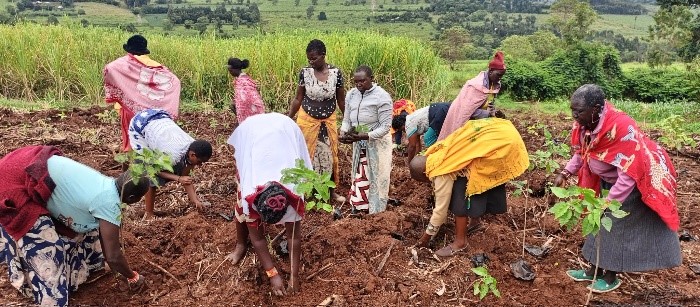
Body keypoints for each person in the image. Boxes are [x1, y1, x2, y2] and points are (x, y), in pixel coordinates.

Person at [553, 84, 681, 293]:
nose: (574, 116)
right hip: (608, 180)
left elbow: (628, 174)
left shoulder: (621, 128)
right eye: (572, 110)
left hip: (635, 182)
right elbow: (582, 152)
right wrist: (565, 173)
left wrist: (608, 203)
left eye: (579, 111)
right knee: (597, 223)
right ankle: (592, 270)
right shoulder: (585, 125)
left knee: (614, 228)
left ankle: (611, 276)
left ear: (595, 109)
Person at [0, 146, 150, 306]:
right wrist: (132, 276)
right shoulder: (109, 203)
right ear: (132, 197)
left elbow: (105, 243)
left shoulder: (105, 184)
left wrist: (117, 270)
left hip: (20, 163)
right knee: (49, 248)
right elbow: (113, 256)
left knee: (89, 229)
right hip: (14, 182)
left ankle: (84, 270)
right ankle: (51, 298)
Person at [411, 117, 529, 257]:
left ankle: (460, 242)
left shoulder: (440, 172)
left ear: (425, 173)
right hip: (502, 131)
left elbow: (440, 211)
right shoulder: (435, 152)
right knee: (473, 174)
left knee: (459, 196)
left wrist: (426, 237)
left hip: (503, 144)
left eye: (424, 180)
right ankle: (475, 222)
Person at [226, 113, 310, 296]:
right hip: (251, 134)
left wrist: (294, 276)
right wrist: (272, 274)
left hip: (285, 129)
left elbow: (294, 237)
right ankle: (240, 244)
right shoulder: (249, 196)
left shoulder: (295, 195)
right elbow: (258, 239)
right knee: (240, 205)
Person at [287, 39, 346, 202]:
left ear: (323, 55)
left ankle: (329, 191)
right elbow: (298, 99)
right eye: (309, 59)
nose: (311, 62)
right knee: (308, 156)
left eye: (314, 58)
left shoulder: (336, 73)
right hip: (307, 120)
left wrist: (348, 120)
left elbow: (341, 100)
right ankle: (308, 192)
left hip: (328, 121)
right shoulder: (305, 72)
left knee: (329, 155)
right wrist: (288, 118)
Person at [128, 109, 213, 219]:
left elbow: (185, 176)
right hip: (140, 125)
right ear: (192, 155)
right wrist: (178, 178)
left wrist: (195, 201)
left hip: (160, 119)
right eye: (200, 162)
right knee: (150, 175)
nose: (200, 165)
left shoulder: (193, 147)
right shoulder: (171, 154)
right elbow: (155, 170)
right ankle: (148, 213)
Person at [103, 34, 181, 154]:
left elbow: (109, 68)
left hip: (130, 110)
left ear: (129, 49)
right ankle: (151, 164)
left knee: (130, 138)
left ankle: (130, 166)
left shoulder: (125, 63)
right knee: (149, 138)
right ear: (144, 50)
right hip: (150, 114)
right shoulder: (154, 65)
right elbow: (175, 81)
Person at [339, 65, 393, 214]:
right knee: (360, 171)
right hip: (359, 138)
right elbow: (347, 119)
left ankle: (376, 211)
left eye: (362, 81)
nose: (359, 84)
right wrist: (343, 133)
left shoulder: (382, 97)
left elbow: (386, 127)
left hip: (377, 142)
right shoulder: (351, 95)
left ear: (371, 79)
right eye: (356, 81)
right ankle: (359, 206)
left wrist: (366, 136)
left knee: (376, 174)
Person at [437, 50, 506, 142]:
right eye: (498, 75)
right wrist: (488, 114)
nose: (500, 78)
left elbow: (490, 104)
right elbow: (465, 111)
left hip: (479, 121)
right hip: (464, 120)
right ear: (490, 71)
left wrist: (493, 111)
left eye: (502, 76)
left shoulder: (495, 85)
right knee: (455, 144)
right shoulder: (475, 86)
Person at [227, 57, 265, 123]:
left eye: (230, 70)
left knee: (234, 105)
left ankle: (244, 123)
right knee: (232, 105)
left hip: (253, 108)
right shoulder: (244, 78)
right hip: (254, 106)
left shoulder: (242, 81)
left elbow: (246, 99)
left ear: (235, 69)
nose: (230, 72)